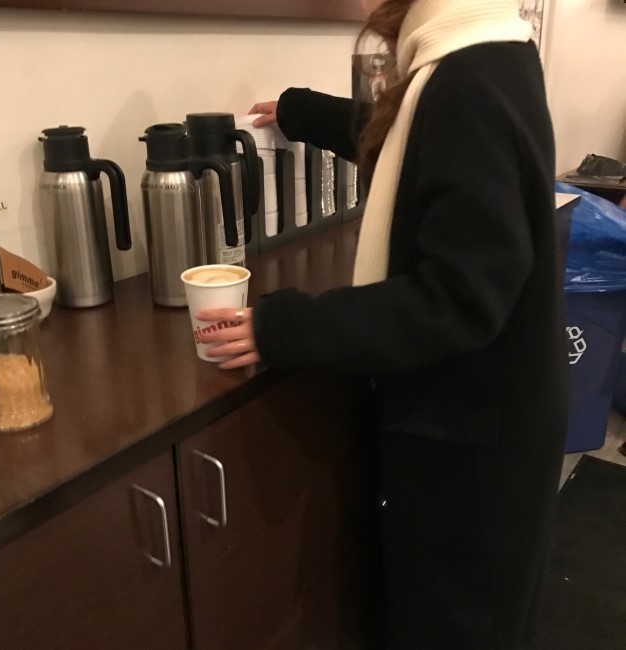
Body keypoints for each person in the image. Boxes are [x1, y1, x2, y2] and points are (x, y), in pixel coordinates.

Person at [197, 0, 569, 648]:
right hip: (503, 414)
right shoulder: (490, 49)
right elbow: (413, 138)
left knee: (458, 627)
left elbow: (456, 299)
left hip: (471, 447)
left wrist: (283, 326)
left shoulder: (466, 83)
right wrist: (301, 111)